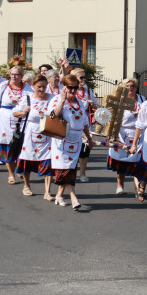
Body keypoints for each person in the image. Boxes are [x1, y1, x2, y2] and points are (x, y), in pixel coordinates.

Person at [47, 73, 91, 211]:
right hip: (62, 139)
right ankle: (73, 197)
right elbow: (53, 115)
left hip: (76, 140)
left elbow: (84, 122)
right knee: (65, 170)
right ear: (64, 87)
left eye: (75, 87)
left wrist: (89, 138)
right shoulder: (56, 100)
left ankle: (59, 195)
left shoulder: (79, 102)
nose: (72, 90)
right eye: (70, 87)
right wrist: (62, 99)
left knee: (71, 169)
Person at [13, 74, 54, 199]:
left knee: (48, 161)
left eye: (43, 87)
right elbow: (15, 112)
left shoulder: (52, 98)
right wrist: (24, 112)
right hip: (30, 133)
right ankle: (27, 186)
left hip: (48, 133)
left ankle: (47, 192)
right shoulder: (27, 98)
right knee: (28, 160)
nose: (41, 90)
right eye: (38, 87)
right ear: (33, 86)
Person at [0, 66, 27, 185]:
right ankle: (11, 174)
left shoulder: (27, 88)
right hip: (4, 120)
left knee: (21, 146)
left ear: (21, 76)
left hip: (21, 119)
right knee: (8, 147)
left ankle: (19, 168)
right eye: (12, 74)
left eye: (16, 74)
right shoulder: (3, 86)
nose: (14, 76)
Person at [106, 78, 142, 196]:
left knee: (136, 162)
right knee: (121, 161)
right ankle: (120, 185)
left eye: (133, 86)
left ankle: (137, 188)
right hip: (122, 133)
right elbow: (111, 116)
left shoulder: (142, 99)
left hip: (138, 134)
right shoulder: (119, 100)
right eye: (128, 86)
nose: (131, 88)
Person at [70, 68, 97, 183]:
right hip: (72, 124)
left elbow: (96, 105)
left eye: (84, 77)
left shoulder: (88, 91)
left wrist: (95, 111)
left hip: (85, 124)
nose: (83, 79)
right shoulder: (70, 90)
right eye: (81, 77)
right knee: (71, 149)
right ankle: (70, 172)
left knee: (85, 150)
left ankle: (82, 173)